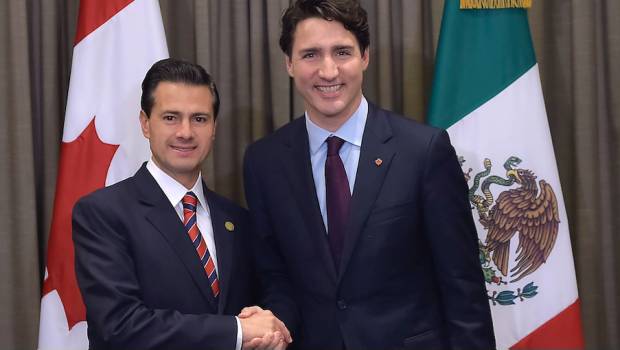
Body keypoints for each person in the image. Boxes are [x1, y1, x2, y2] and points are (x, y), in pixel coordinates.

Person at [242, 1, 496, 349]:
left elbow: (462, 289)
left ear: (365, 57)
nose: (328, 71)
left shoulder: (423, 151)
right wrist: (273, 326)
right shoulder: (264, 162)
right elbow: (276, 278)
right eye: (311, 55)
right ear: (289, 63)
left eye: (342, 52)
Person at [73, 58, 290, 350]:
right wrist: (237, 331)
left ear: (213, 127)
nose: (185, 132)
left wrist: (272, 326)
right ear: (145, 124)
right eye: (171, 118)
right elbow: (119, 325)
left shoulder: (237, 219)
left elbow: (272, 290)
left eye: (199, 119)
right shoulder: (102, 214)